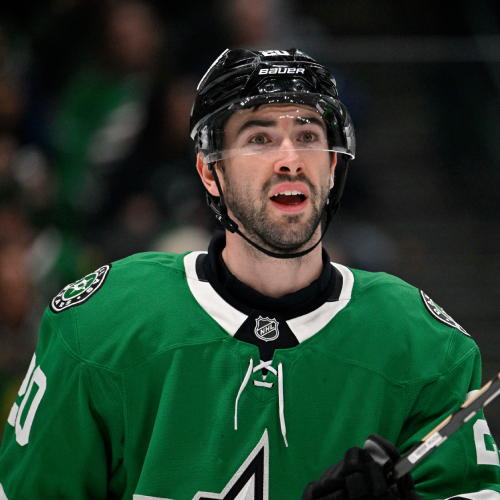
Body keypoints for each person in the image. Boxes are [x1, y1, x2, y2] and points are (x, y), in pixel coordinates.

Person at [0, 48, 499, 500]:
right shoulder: (101, 326)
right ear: (209, 171)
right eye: (259, 138)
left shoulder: (425, 348)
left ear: (331, 167)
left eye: (308, 136)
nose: (290, 160)